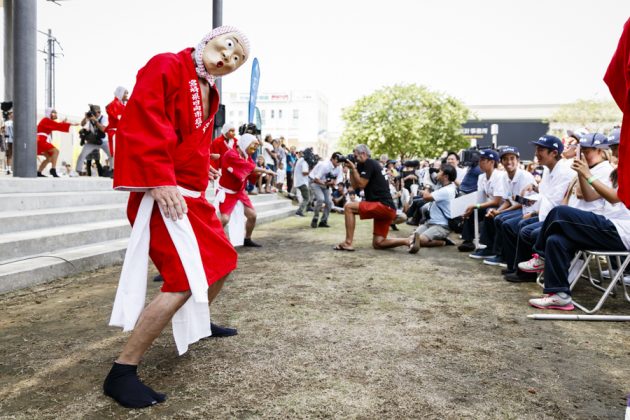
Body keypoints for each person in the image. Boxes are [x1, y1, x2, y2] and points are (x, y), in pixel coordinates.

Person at [104, 25, 249, 409]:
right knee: (183, 281)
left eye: (235, 61)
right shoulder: (168, 65)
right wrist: (158, 179)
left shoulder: (211, 92)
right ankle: (122, 370)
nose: (227, 60)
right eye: (226, 49)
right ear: (209, 39)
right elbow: (144, 121)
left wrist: (206, 170)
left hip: (190, 194)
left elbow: (194, 144)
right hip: (161, 194)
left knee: (223, 262)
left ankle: (199, 321)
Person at [526, 134, 628, 311]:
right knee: (555, 240)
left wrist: (588, 175)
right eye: (612, 147)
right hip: (609, 226)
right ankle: (560, 295)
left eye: (617, 146)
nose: (614, 150)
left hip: (621, 231)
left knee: (559, 213)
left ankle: (540, 255)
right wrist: (583, 173)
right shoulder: (616, 171)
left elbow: (614, 198)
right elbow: (589, 195)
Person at [501, 135, 574, 282]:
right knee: (511, 223)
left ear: (553, 153)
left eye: (540, 149)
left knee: (524, 228)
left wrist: (533, 211)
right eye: (536, 149)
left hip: (555, 217)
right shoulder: (548, 169)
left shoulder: (565, 172)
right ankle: (518, 269)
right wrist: (535, 188)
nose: (536, 153)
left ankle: (527, 271)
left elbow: (555, 203)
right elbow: (544, 195)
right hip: (543, 213)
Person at [335, 144, 411, 251]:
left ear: (363, 154)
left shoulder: (369, 163)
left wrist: (353, 168)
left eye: (355, 156)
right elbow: (355, 185)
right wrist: (352, 169)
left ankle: (348, 242)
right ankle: (408, 241)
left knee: (348, 207)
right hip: (387, 208)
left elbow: (361, 185)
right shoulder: (363, 165)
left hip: (382, 206)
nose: (354, 158)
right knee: (378, 243)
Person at [470, 146, 534, 261]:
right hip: (517, 207)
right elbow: (509, 200)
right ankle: (491, 249)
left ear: (517, 160)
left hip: (529, 209)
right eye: (505, 159)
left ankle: (503, 255)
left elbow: (526, 203)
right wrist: (498, 211)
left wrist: (501, 212)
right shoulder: (504, 176)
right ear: (501, 162)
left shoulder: (525, 176)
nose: (509, 162)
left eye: (512, 158)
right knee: (493, 215)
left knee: (501, 219)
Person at [215, 133, 274, 247]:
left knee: (252, 215)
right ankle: (212, 240)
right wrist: (265, 170)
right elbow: (247, 167)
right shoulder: (231, 154)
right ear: (245, 144)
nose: (254, 150)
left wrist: (259, 172)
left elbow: (251, 170)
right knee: (224, 219)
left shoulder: (247, 156)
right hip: (227, 192)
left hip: (239, 192)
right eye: (252, 146)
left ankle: (247, 238)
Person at [457, 149, 506, 252]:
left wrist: (476, 206)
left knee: (484, 211)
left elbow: (497, 201)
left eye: (483, 160)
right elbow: (481, 197)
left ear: (492, 162)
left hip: (502, 207)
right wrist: (473, 206)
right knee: (470, 211)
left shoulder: (500, 176)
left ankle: (487, 246)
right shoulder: (481, 177)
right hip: (489, 205)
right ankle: (468, 241)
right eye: (479, 160)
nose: (480, 163)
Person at [409, 164, 458, 254]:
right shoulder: (443, 186)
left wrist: (427, 185)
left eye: (439, 171)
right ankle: (439, 238)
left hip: (442, 226)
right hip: (430, 223)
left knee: (420, 240)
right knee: (412, 238)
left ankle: (443, 242)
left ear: (446, 176)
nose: (437, 173)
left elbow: (426, 197)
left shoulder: (447, 190)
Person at [75, 105, 114, 175]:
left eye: (94, 113)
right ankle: (77, 171)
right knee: (82, 155)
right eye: (92, 112)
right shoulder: (90, 117)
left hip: (104, 141)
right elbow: (82, 124)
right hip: (93, 141)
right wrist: (86, 117)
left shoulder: (104, 118)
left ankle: (112, 170)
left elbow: (103, 129)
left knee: (111, 155)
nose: (93, 114)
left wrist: (95, 121)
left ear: (99, 112)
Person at [36, 108, 75, 177]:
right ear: (49, 113)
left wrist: (63, 123)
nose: (55, 114)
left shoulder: (47, 121)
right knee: (56, 151)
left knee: (49, 158)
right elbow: (56, 126)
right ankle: (53, 169)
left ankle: (39, 172)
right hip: (41, 140)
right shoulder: (46, 120)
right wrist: (71, 124)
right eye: (54, 113)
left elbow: (55, 125)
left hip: (40, 140)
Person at [309, 152, 343, 228]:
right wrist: (326, 183)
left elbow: (339, 179)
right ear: (333, 159)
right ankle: (315, 218)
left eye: (340, 160)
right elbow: (316, 179)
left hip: (325, 185)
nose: (339, 162)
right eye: (338, 160)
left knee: (329, 203)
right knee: (321, 199)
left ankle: (323, 221)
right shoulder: (325, 165)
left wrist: (334, 183)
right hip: (315, 182)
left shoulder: (339, 167)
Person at [105, 86, 128, 159]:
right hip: (115, 132)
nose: (126, 96)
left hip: (120, 132)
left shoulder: (121, 104)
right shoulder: (114, 104)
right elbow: (119, 118)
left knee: (121, 156)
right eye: (125, 93)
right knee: (116, 156)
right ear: (120, 93)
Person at [293, 149, 311, 217]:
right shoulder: (304, 162)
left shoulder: (300, 160)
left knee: (305, 197)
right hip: (302, 182)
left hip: (299, 181)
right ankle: (299, 212)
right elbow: (304, 173)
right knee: (307, 198)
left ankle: (302, 210)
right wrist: (311, 171)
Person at [4, 109, 12, 175]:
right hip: (9, 140)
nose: (11, 115)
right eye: (10, 114)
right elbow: (5, 131)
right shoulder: (7, 123)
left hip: (14, 140)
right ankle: (8, 169)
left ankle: (9, 168)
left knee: (11, 155)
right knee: (8, 155)